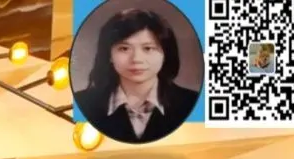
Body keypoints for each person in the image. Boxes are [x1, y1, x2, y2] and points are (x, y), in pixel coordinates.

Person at [73, 8, 200, 144]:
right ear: (109, 55)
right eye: (124, 48)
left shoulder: (191, 102)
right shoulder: (83, 102)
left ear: (165, 54)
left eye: (148, 48)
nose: (136, 59)